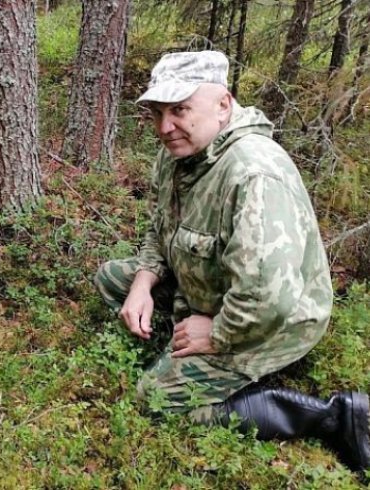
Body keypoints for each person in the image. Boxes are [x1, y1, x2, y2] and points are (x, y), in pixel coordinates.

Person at [93, 50, 369, 474]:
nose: (165, 127)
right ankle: (182, 335)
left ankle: (329, 417)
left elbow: (270, 298)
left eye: (180, 109)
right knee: (112, 279)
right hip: (209, 287)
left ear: (223, 104)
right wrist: (143, 282)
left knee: (156, 398)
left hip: (272, 320)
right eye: (158, 112)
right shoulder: (179, 154)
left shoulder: (253, 172)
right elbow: (160, 229)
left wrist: (217, 333)